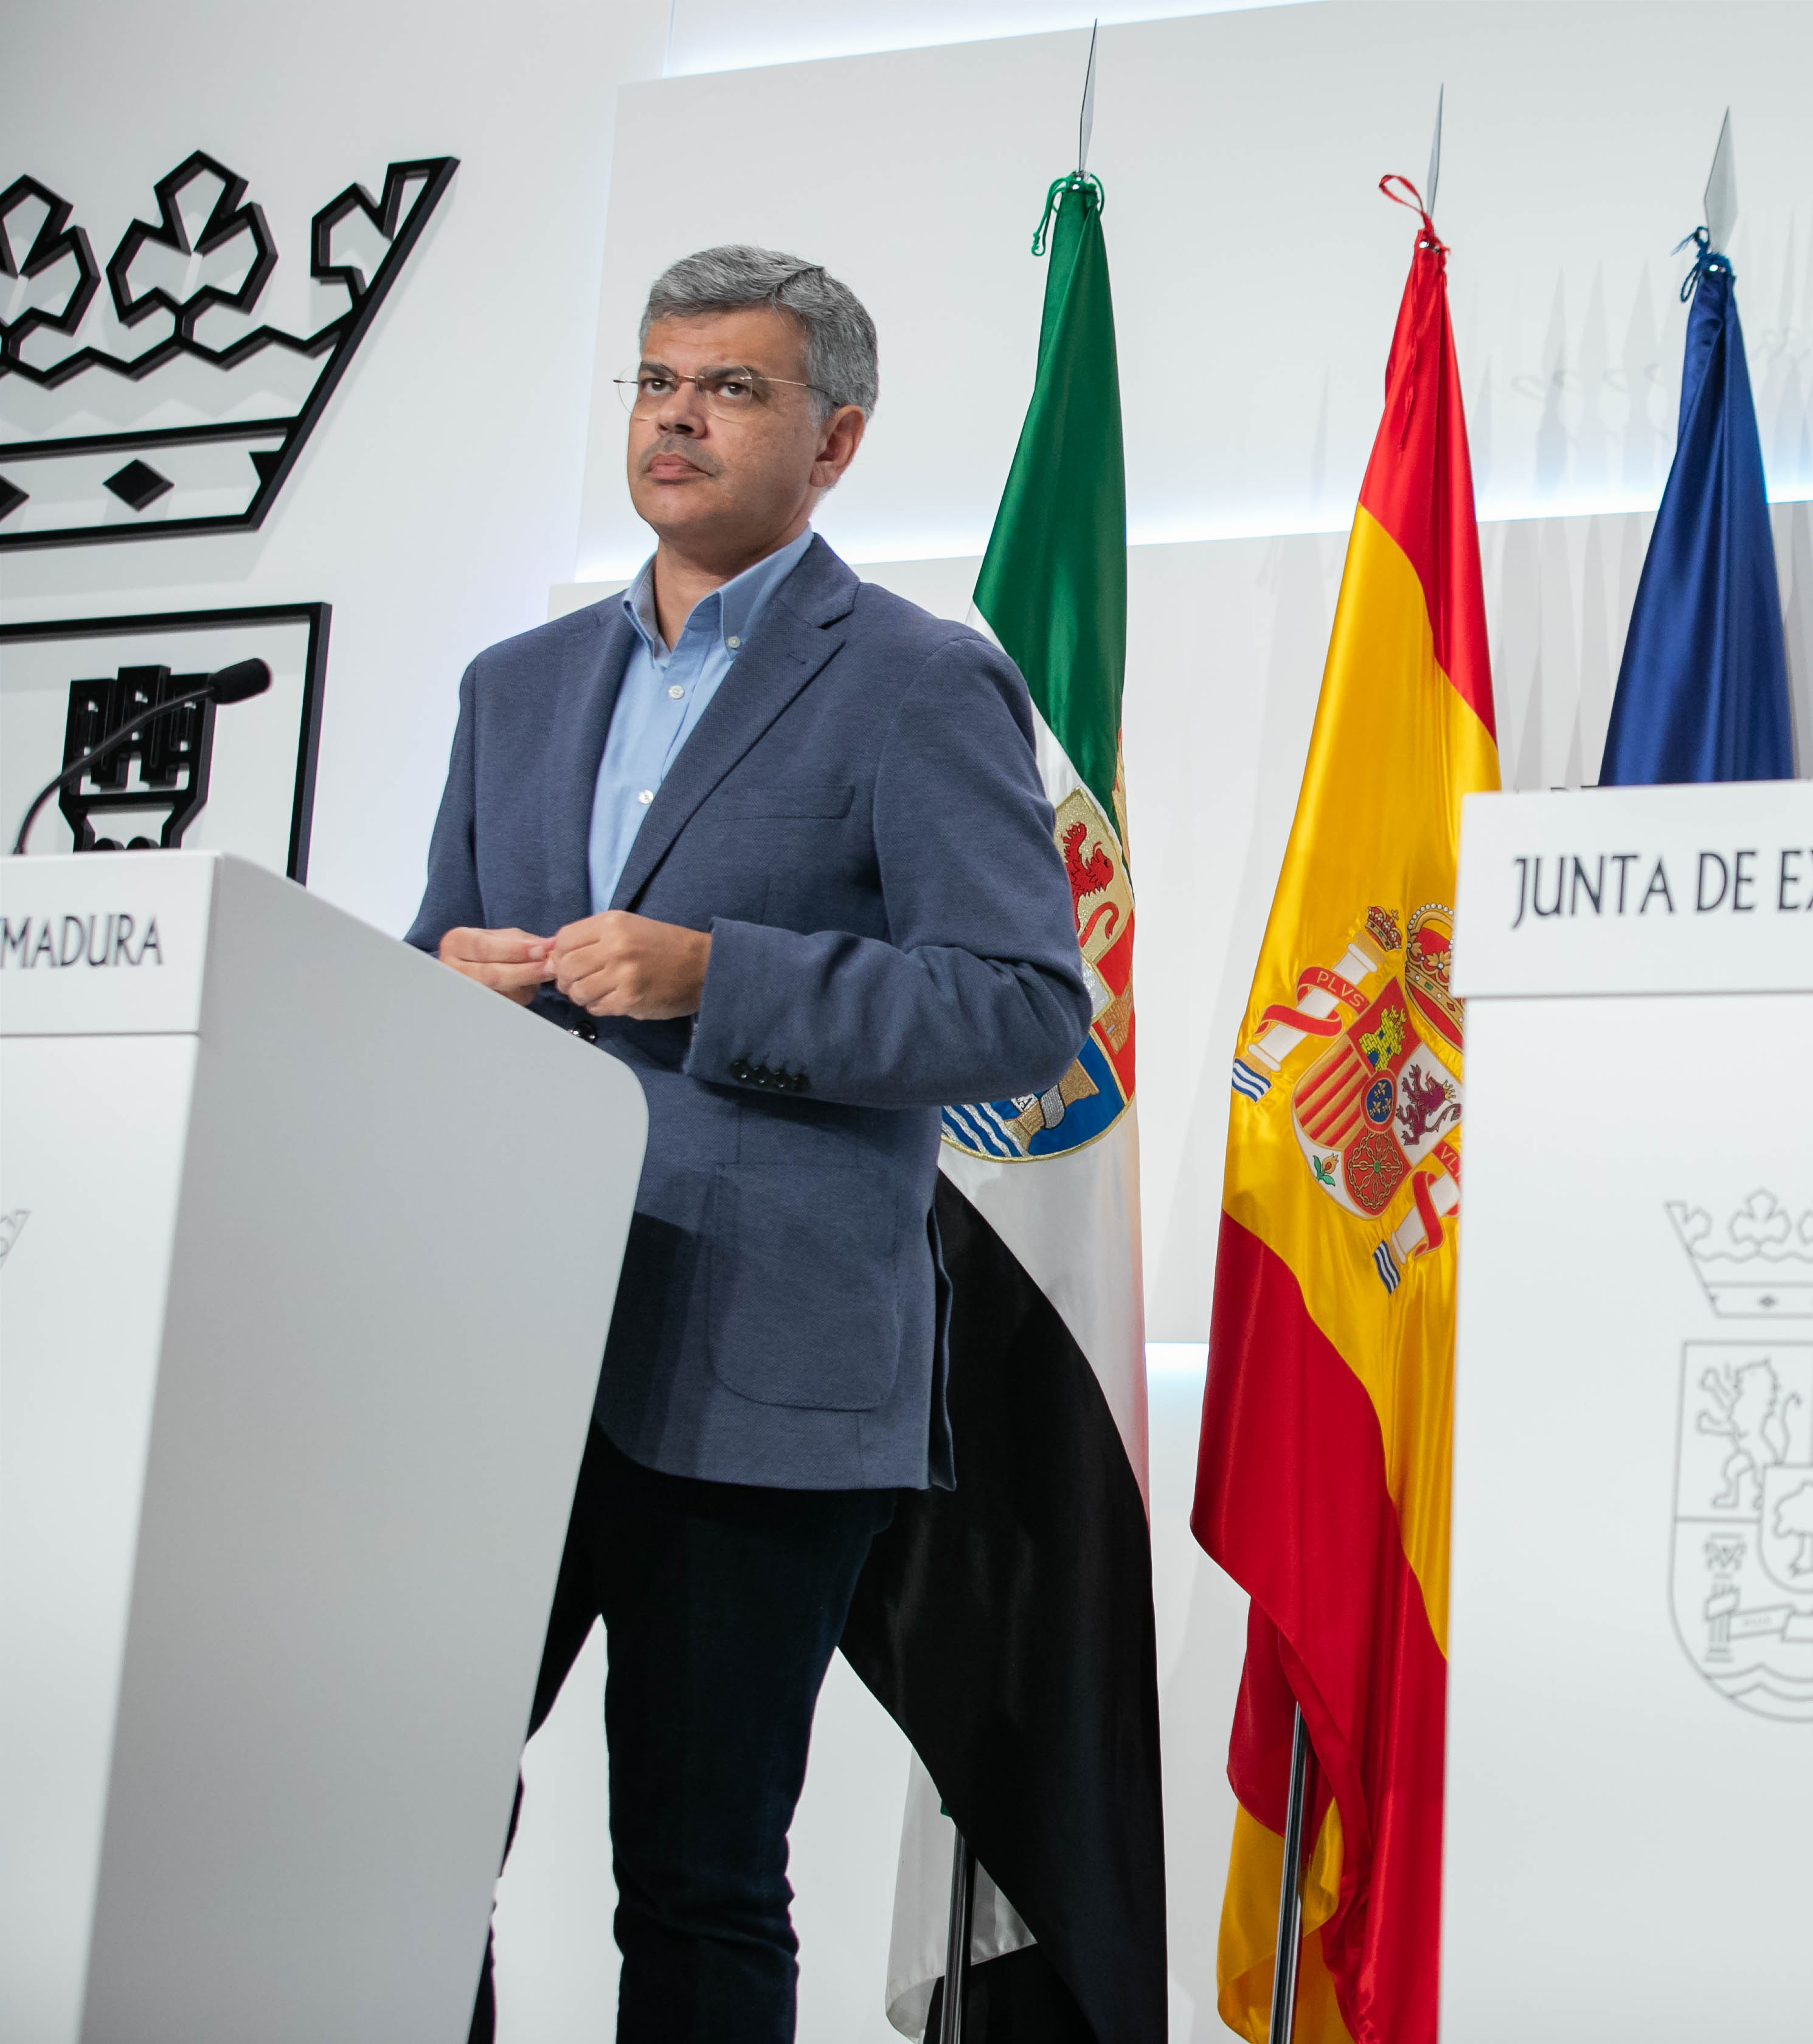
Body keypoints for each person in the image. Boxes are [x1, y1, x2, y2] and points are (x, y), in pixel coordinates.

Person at [407, 246, 1089, 2042]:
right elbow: (421, 969)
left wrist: (726, 979)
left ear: (837, 439)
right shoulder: (514, 685)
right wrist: (444, 988)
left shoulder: (918, 683)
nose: (678, 417)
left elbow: (1021, 1012)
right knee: (391, 1831)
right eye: (655, 381)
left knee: (700, 1883)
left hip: (761, 1380)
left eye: (732, 389)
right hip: (501, 1357)